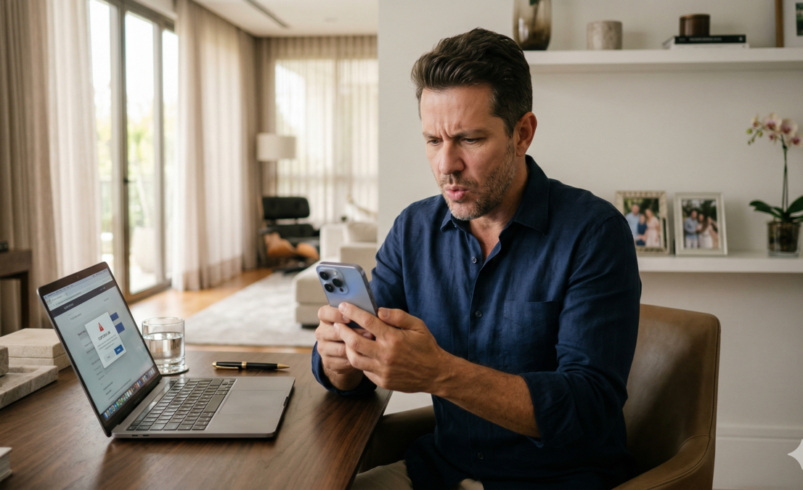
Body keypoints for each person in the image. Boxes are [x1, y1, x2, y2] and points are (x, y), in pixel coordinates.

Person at [312, 28, 641, 490]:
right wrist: (339, 361)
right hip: (440, 471)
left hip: (556, 480)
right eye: (432, 140)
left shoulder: (595, 232)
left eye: (468, 139)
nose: (447, 165)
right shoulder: (413, 230)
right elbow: (352, 367)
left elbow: (587, 408)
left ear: (522, 133)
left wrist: (440, 373)